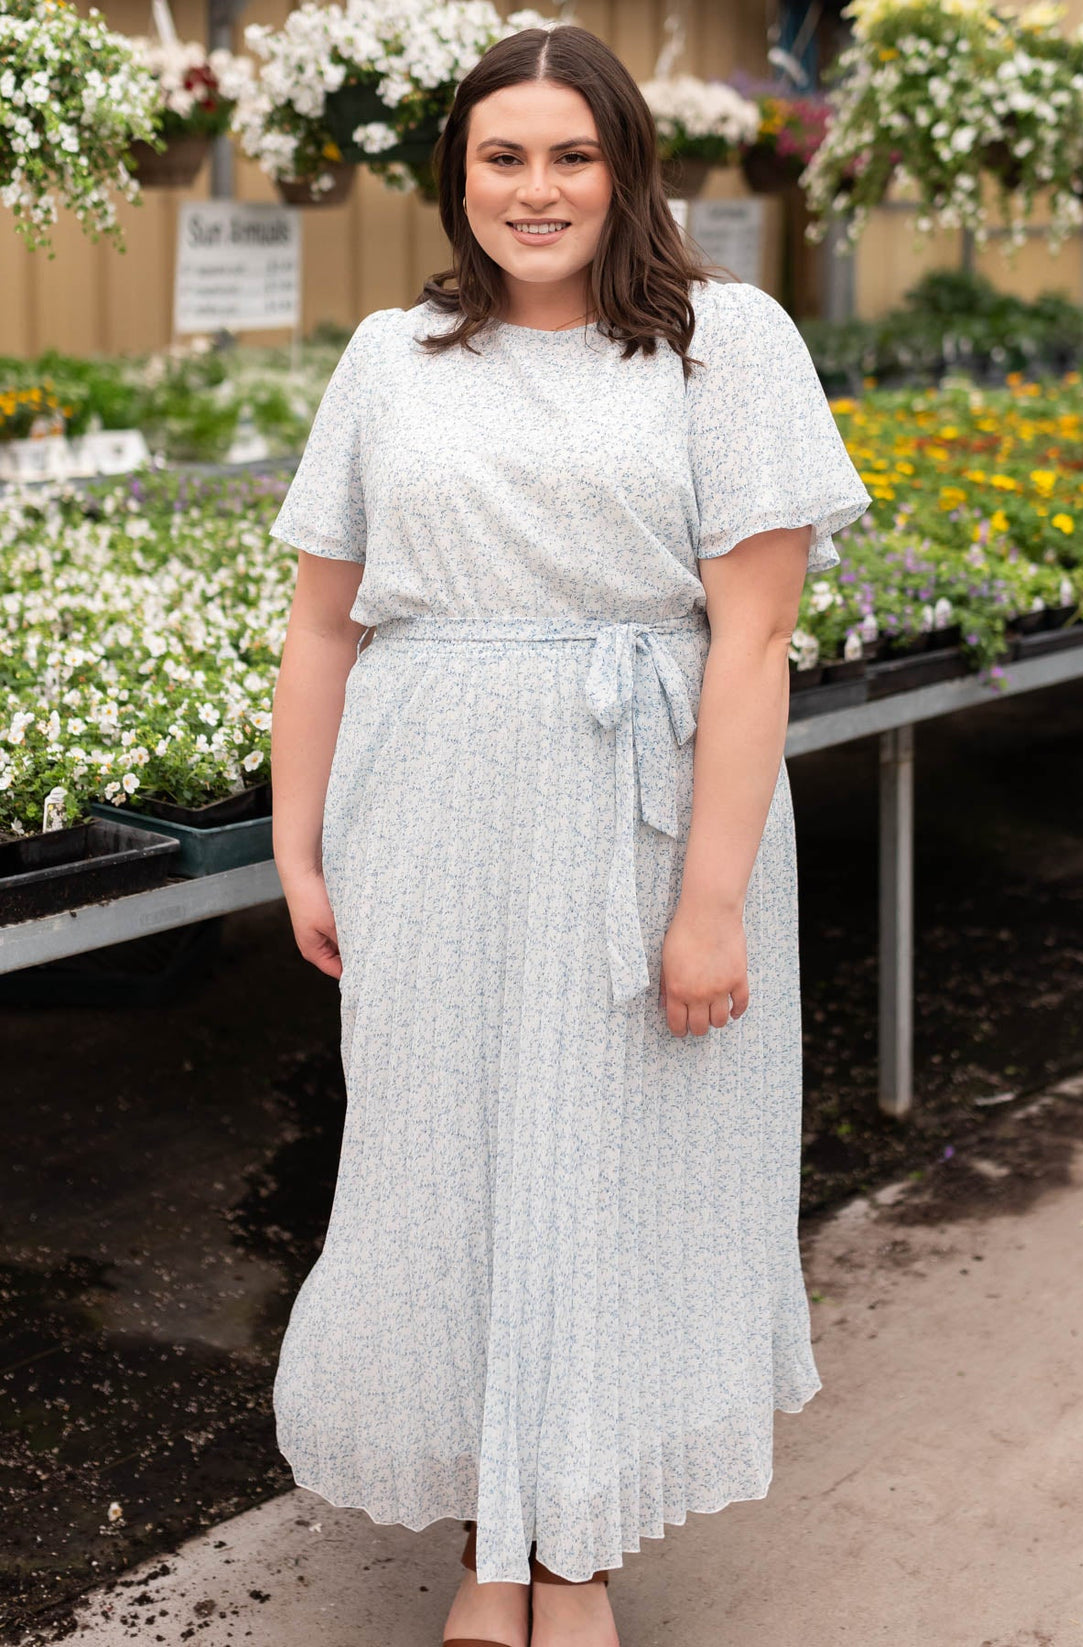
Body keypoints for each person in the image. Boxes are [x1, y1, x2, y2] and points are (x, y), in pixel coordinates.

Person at [268, 21, 871, 1647]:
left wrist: (711, 902)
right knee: (446, 1167)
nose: (535, 190)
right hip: (427, 811)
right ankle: (492, 1540)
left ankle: (578, 1554)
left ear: (626, 169)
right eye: (503, 157)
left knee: (617, 1175)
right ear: (457, 176)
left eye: (571, 156)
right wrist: (300, 846)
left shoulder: (724, 344)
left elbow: (752, 638)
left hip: (644, 811)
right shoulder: (392, 357)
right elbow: (322, 622)